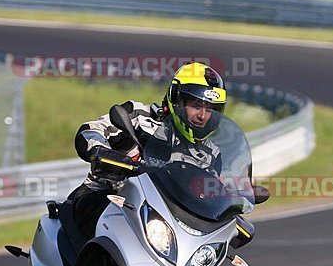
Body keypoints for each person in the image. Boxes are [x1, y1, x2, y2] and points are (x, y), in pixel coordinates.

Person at [68, 62, 228, 238]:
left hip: (162, 220)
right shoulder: (139, 116)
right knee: (107, 223)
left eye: (210, 109)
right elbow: (91, 130)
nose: (202, 116)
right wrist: (100, 150)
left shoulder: (211, 154)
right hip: (109, 197)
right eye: (196, 105)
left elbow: (209, 199)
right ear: (176, 98)